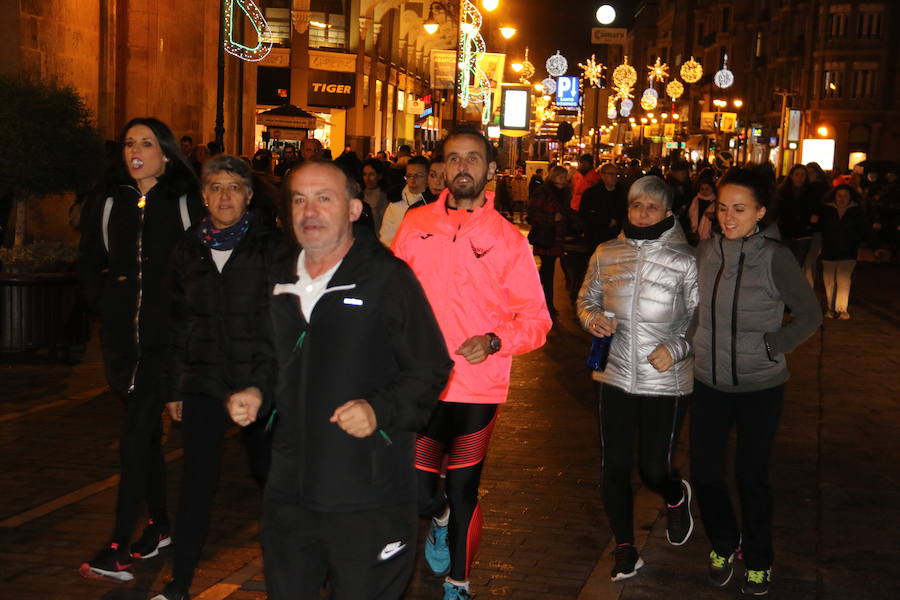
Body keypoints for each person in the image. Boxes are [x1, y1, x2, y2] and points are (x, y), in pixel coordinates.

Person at [226, 161, 453, 600]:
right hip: (289, 491)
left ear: (352, 209)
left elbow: (429, 367)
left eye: (323, 198)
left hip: (368, 497)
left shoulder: (386, 278)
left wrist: (378, 409)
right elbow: (265, 354)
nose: (310, 210)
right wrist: (256, 390)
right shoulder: (278, 276)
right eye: (299, 199)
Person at [391, 127, 552, 600]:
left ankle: (458, 583)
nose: (463, 167)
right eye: (454, 158)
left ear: (490, 170)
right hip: (422, 386)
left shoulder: (508, 240)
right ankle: (438, 518)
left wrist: (496, 339)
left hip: (478, 390)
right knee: (421, 495)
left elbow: (537, 321)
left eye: (474, 159)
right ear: (442, 168)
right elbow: (390, 299)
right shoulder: (415, 225)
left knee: (464, 490)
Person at [77, 117, 205, 582]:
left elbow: (202, 269)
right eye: (130, 143)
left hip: (166, 345)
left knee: (133, 439)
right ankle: (160, 525)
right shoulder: (112, 201)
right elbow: (91, 258)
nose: (136, 151)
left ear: (166, 154)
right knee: (145, 438)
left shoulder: (185, 202)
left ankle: (116, 546)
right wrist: (106, 304)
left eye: (147, 144)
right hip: (121, 346)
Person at [151, 155, 280, 600]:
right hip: (203, 383)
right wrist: (173, 388)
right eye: (216, 187)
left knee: (273, 479)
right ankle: (180, 582)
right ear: (204, 196)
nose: (225, 196)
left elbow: (283, 321)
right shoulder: (187, 249)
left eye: (234, 187)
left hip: (259, 385)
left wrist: (270, 383)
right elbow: (176, 323)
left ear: (248, 195)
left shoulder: (272, 247)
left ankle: (293, 573)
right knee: (195, 486)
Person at [691, 167, 821, 597]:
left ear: (760, 212)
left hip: (759, 387)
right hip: (708, 382)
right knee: (706, 474)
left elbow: (810, 315)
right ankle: (725, 543)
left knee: (751, 476)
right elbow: (691, 310)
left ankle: (760, 557)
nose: (728, 217)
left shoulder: (775, 257)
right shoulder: (705, 252)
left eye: (740, 209)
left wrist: (773, 345)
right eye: (722, 208)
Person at [577, 175, 699, 582]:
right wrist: (592, 319)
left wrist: (677, 347)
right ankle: (625, 548)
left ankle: (675, 494)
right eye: (636, 206)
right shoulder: (606, 252)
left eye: (652, 207)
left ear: (668, 213)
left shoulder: (687, 260)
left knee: (652, 468)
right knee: (613, 465)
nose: (643, 213)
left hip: (665, 379)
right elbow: (586, 298)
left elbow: (700, 317)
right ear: (626, 209)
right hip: (613, 374)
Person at [819, 184, 883, 319]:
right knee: (829, 281)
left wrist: (876, 247)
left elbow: (865, 230)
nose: (842, 199)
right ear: (834, 197)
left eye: (845, 196)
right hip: (829, 251)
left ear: (850, 197)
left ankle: (841, 309)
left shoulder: (856, 212)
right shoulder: (827, 210)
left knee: (843, 280)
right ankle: (831, 308)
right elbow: (819, 228)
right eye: (839, 196)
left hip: (848, 251)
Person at [526, 165, 571, 316]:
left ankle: (542, 301)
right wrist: (553, 218)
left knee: (547, 270)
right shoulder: (543, 192)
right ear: (553, 177)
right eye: (561, 177)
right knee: (548, 270)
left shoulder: (564, 193)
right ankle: (547, 304)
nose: (563, 180)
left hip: (557, 237)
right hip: (545, 236)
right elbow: (532, 215)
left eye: (565, 177)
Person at [379, 155, 429, 246]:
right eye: (409, 176)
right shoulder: (395, 204)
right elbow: (386, 239)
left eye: (418, 176)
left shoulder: (434, 203)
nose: (412, 180)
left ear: (429, 177)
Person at [775, 164, 818, 268]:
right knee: (786, 263)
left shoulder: (810, 192)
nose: (800, 178)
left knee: (797, 264)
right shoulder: (782, 193)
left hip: (803, 234)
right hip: (786, 233)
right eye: (797, 175)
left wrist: (811, 222)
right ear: (791, 176)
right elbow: (777, 211)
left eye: (803, 175)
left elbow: (815, 211)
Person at [579, 162, 628, 253]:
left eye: (616, 174)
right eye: (611, 174)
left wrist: (618, 221)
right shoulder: (591, 193)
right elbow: (585, 214)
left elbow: (625, 211)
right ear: (602, 175)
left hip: (616, 236)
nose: (614, 177)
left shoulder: (621, 193)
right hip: (597, 236)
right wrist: (606, 221)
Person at [361, 158, 390, 232]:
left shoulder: (385, 197)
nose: (367, 178)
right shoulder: (359, 195)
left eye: (371, 174)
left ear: (379, 176)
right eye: (365, 174)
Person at [687, 176, 718, 244]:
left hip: (708, 235)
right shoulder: (695, 200)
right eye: (702, 189)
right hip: (694, 233)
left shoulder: (716, 202)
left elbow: (718, 219)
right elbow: (689, 215)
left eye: (707, 189)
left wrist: (714, 216)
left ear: (712, 189)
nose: (704, 191)